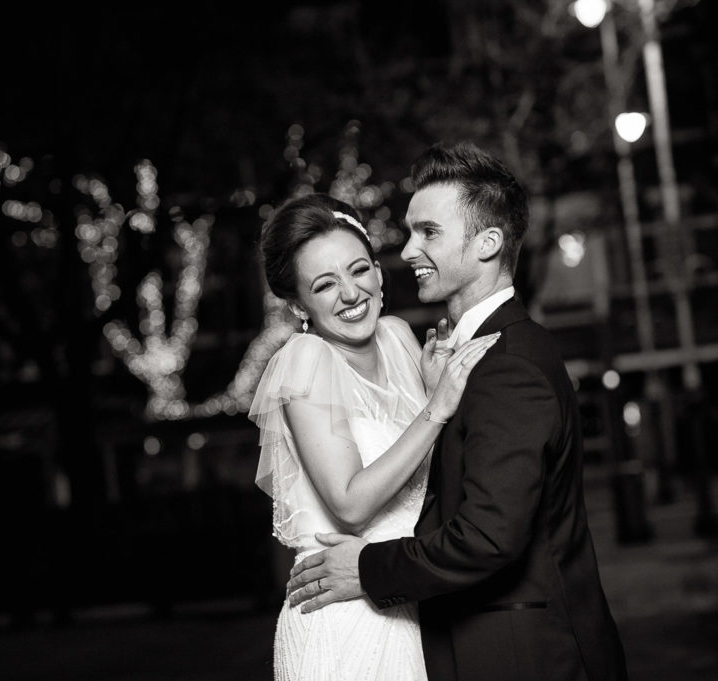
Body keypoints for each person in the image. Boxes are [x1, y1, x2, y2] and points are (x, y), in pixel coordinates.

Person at [286, 142, 628, 681]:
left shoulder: (509, 364)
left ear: (488, 243)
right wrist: (432, 400)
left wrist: (368, 568)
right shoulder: (469, 359)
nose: (408, 250)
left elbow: (489, 537)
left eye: (429, 232)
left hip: (524, 657)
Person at [250, 192, 500, 680]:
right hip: (344, 619)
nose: (350, 293)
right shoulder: (306, 360)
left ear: (379, 273)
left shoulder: (399, 337)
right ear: (298, 303)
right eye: (324, 284)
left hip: (409, 604)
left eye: (358, 270)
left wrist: (430, 390)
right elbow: (349, 504)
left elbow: (435, 475)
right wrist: (437, 406)